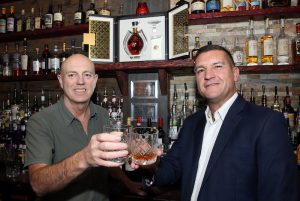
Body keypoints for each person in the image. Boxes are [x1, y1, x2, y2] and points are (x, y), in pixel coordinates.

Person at [133, 45, 299, 201]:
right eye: (200, 70)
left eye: (217, 66)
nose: (208, 75)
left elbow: (280, 193)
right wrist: (150, 160)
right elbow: (170, 171)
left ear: (235, 73)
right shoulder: (192, 123)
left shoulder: (266, 122)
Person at [25, 54, 145, 201]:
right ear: (61, 81)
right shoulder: (40, 121)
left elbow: (107, 161)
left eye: (87, 75)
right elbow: (38, 185)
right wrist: (84, 158)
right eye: (72, 75)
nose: (80, 81)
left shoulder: (102, 114)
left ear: (95, 81)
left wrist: (128, 182)